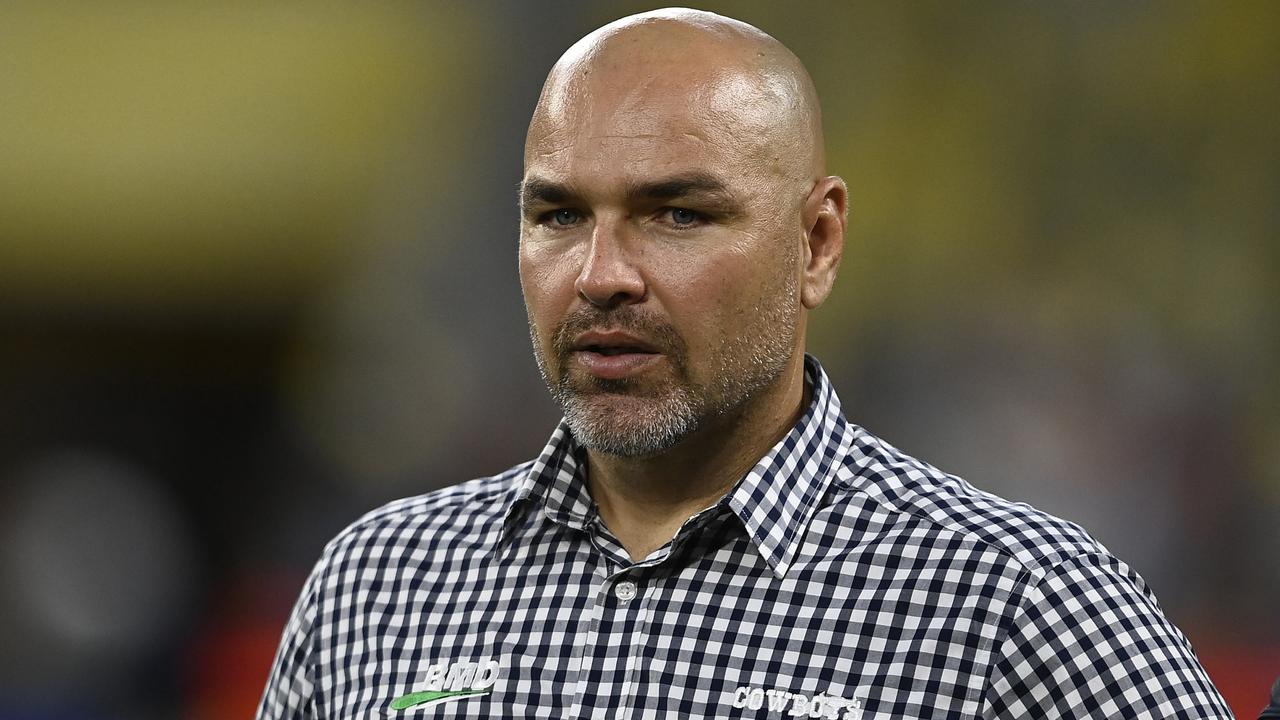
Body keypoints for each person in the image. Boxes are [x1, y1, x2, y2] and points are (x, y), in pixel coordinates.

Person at [257, 9, 1231, 719]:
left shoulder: (1019, 602)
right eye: (557, 215)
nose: (600, 276)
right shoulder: (373, 586)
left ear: (815, 243)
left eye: (676, 214)